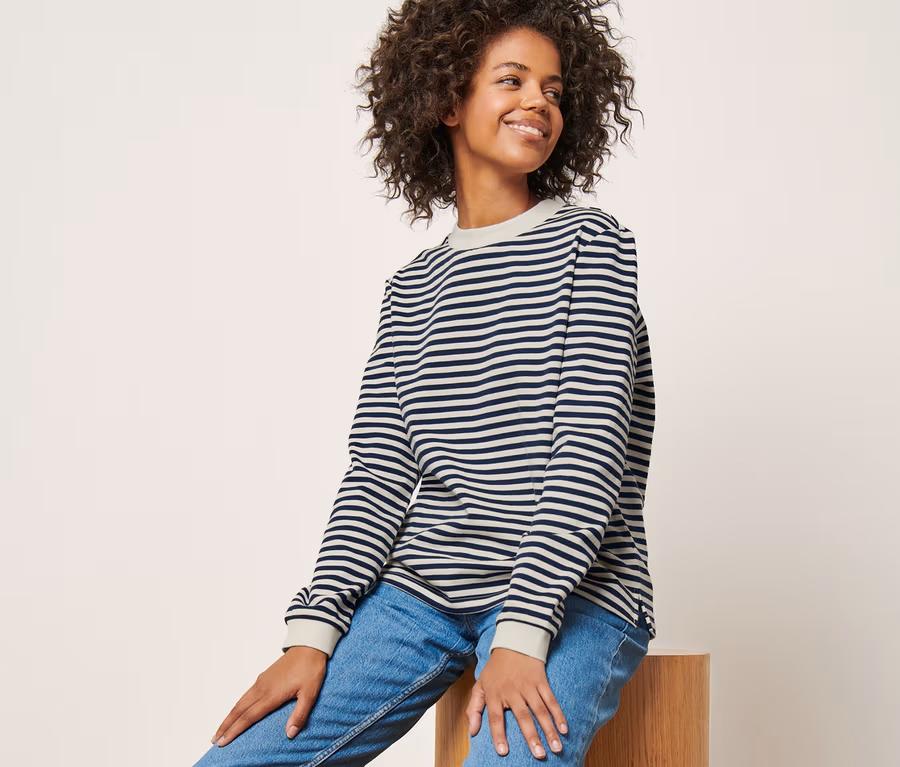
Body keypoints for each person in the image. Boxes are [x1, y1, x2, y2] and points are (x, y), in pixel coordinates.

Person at [193, 1, 656, 765]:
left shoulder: (590, 245)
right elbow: (377, 474)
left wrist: (522, 633)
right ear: (446, 100)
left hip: (573, 593)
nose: (539, 101)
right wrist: (314, 631)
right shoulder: (411, 290)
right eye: (512, 80)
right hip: (423, 593)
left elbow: (589, 451)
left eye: (554, 89)